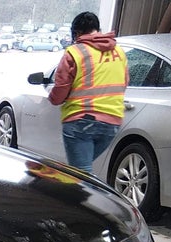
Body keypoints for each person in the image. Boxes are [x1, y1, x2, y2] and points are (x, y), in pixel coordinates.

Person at [47, 12, 128, 174]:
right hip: (112, 122)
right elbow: (124, 82)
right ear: (97, 29)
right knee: (82, 170)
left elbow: (60, 92)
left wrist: (52, 96)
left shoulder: (75, 52)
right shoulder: (119, 52)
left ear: (76, 33)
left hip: (81, 121)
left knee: (81, 175)